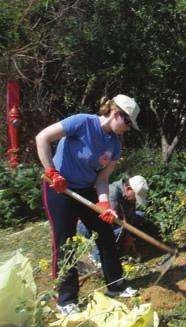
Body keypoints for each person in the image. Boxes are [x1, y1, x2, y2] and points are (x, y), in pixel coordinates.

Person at [36, 94, 141, 315]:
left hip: (86, 191)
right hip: (59, 189)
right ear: (115, 113)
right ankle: (66, 300)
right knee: (64, 243)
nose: (128, 127)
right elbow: (42, 138)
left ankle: (116, 284)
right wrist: (51, 171)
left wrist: (104, 204)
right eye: (128, 121)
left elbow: (102, 179)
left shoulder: (114, 144)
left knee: (105, 234)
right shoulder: (82, 122)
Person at [77, 175, 155, 265]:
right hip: (90, 226)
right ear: (128, 188)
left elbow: (129, 216)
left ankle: (122, 243)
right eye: (135, 197)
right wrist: (125, 235)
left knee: (140, 216)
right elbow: (105, 223)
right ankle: (96, 255)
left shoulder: (127, 195)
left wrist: (128, 236)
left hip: (115, 220)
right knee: (121, 229)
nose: (135, 200)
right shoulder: (111, 195)